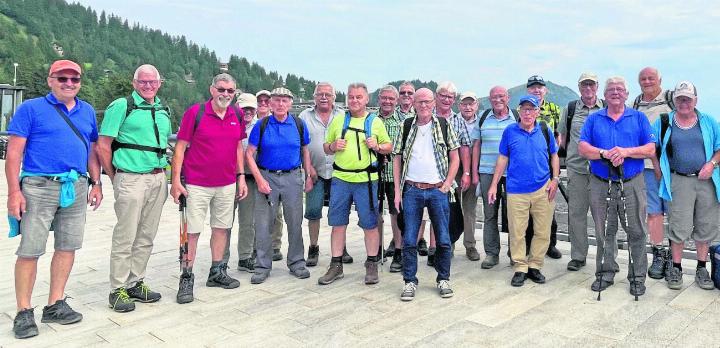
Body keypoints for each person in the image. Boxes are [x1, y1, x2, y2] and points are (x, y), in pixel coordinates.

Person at [6, 59, 103, 339]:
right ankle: (24, 311)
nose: (69, 84)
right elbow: (13, 154)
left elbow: (91, 149)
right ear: (50, 80)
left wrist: (96, 183)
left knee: (67, 247)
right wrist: (14, 192)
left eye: (74, 79)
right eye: (63, 79)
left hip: (76, 185)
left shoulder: (86, 111)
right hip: (38, 186)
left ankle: (55, 304)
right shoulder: (31, 109)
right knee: (30, 249)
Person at [97, 64, 170, 312]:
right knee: (125, 234)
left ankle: (135, 282)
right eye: (143, 82)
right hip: (130, 178)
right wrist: (113, 175)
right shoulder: (121, 105)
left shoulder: (162, 109)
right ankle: (116, 289)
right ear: (134, 83)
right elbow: (103, 144)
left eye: (152, 82)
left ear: (159, 83)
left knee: (146, 235)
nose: (148, 86)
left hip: (158, 178)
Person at [170, 73, 248, 303]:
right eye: (221, 89)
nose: (225, 94)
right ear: (212, 89)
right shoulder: (196, 113)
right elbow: (180, 148)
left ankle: (217, 272)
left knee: (221, 228)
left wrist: (241, 177)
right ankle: (186, 277)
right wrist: (176, 181)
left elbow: (237, 147)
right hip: (196, 183)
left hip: (226, 183)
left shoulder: (237, 114)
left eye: (230, 91)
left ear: (235, 93)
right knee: (191, 232)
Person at [578, 76, 655, 297]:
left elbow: (650, 148)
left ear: (626, 94)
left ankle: (638, 277)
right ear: (605, 94)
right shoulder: (594, 120)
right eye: (611, 89)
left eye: (620, 89)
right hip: (601, 183)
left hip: (632, 183)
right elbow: (583, 147)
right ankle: (605, 272)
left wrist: (625, 152)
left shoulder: (638, 118)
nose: (615, 92)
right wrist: (604, 153)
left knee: (637, 231)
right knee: (604, 231)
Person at [319, 82, 392, 285]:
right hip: (341, 179)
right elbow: (326, 148)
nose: (354, 100)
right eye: (351, 97)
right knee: (338, 223)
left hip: (367, 181)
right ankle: (336, 264)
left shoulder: (375, 122)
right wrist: (333, 146)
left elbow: (388, 147)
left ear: (366, 99)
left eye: (359, 97)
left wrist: (377, 146)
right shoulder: (338, 121)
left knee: (370, 224)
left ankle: (371, 263)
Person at [393, 87, 460, 301]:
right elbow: (396, 157)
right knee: (410, 239)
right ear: (413, 103)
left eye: (427, 102)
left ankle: (443, 278)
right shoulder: (406, 126)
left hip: (437, 189)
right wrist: (397, 190)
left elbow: (455, 156)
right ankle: (410, 281)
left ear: (433, 103)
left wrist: (448, 183)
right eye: (419, 101)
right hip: (412, 189)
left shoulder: (443, 125)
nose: (423, 105)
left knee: (443, 239)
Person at [488, 95, 559, 287]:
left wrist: (555, 179)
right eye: (524, 109)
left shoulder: (545, 130)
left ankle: (535, 265)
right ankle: (520, 267)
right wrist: (494, 184)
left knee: (542, 230)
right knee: (517, 231)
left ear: (537, 111)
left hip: (543, 188)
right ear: (519, 111)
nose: (528, 113)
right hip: (516, 190)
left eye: (532, 109)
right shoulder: (510, 131)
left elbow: (554, 155)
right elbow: (502, 159)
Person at [654, 81, 719, 291]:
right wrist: (657, 169)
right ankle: (676, 267)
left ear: (695, 101)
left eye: (688, 99)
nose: (684, 102)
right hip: (678, 181)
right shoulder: (664, 121)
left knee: (705, 225)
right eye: (680, 98)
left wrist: (711, 164)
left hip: (706, 182)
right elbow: (650, 146)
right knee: (678, 226)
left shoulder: (708, 121)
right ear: (674, 100)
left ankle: (702, 268)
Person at [245, 87, 313, 284]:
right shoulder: (262, 125)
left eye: (285, 100)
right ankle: (262, 266)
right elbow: (249, 154)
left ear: (291, 103)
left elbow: (305, 151)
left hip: (293, 177)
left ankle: (297, 262)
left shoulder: (299, 124)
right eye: (277, 100)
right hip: (267, 176)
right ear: (271, 104)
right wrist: (259, 179)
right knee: (264, 223)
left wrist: (308, 176)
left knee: (295, 221)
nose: (281, 104)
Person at [557, 73, 605, 271]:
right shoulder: (569, 109)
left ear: (597, 86)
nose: (588, 88)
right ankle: (578, 256)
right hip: (576, 169)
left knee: (602, 216)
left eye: (591, 84)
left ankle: (606, 257)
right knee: (576, 214)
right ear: (579, 87)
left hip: (601, 170)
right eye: (584, 84)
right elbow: (562, 138)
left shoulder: (607, 108)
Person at [298, 82, 348, 267]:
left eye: (328, 94)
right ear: (314, 97)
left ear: (334, 97)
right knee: (313, 211)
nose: (324, 97)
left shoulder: (343, 115)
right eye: (320, 94)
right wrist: (308, 169)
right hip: (315, 171)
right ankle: (313, 247)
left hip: (339, 172)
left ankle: (341, 247)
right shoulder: (304, 116)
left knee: (340, 212)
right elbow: (301, 145)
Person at [633, 67, 675, 279]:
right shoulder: (636, 103)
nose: (647, 81)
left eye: (651, 78)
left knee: (675, 213)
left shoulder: (671, 98)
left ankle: (674, 260)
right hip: (646, 168)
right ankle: (659, 253)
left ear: (660, 79)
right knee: (654, 213)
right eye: (643, 79)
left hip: (672, 168)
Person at [470, 86, 517, 269]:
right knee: (489, 215)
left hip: (512, 174)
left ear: (508, 97)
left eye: (501, 96)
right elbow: (476, 146)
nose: (498, 100)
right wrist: (474, 173)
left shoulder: (517, 117)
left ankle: (515, 253)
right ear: (489, 99)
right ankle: (491, 253)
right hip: (487, 173)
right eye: (494, 97)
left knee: (514, 214)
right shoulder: (482, 118)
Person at [524, 75, 562, 259]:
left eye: (540, 87)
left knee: (548, 205)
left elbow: (560, 135)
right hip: (528, 162)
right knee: (528, 207)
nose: (537, 90)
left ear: (545, 90)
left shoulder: (555, 109)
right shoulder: (522, 110)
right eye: (533, 88)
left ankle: (550, 244)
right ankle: (528, 244)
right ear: (527, 90)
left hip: (547, 161)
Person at [221, 92, 259, 272]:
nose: (248, 111)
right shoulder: (228, 121)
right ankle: (221, 258)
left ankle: (245, 257)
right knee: (225, 220)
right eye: (244, 108)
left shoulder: (260, 126)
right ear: (237, 107)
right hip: (228, 177)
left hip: (250, 179)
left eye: (251, 108)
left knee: (248, 221)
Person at [376, 85, 405, 272]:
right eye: (384, 98)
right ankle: (376, 250)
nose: (387, 101)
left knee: (397, 215)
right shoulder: (370, 119)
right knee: (375, 215)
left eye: (391, 98)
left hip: (396, 176)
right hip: (373, 175)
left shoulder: (404, 121)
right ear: (379, 99)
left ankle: (399, 251)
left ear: (396, 100)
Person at [256, 89, 286, 262]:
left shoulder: (275, 121)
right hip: (253, 172)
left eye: (267, 101)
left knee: (277, 213)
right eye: (260, 101)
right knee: (258, 213)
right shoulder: (251, 121)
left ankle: (275, 245)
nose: (263, 104)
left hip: (274, 173)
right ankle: (257, 247)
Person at [457, 91, 481, 261]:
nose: (467, 107)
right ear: (459, 106)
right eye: (464, 104)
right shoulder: (452, 120)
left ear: (476, 105)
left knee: (470, 209)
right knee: (449, 209)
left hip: (474, 168)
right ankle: (447, 245)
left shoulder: (482, 121)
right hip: (453, 168)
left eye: (471, 103)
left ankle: (470, 245)